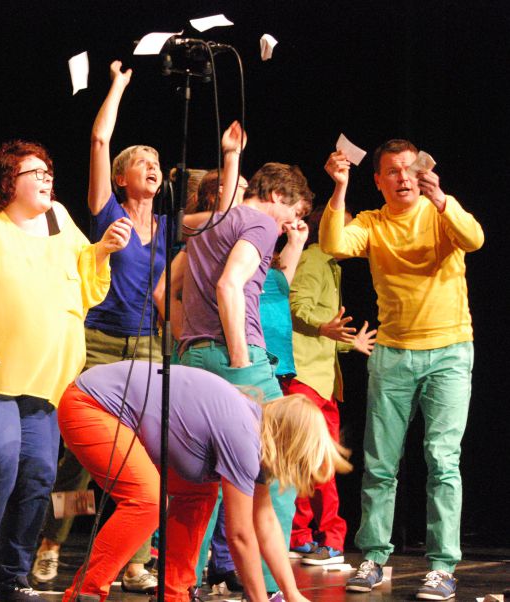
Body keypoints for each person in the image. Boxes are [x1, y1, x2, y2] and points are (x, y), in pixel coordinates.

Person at [0, 139, 131, 602]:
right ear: (6, 181)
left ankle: (13, 577)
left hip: (43, 380)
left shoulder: (59, 218)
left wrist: (103, 249)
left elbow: (84, 283)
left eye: (48, 171)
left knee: (37, 472)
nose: (46, 178)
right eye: (34, 172)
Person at [320, 141, 483, 600]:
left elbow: (475, 239)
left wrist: (442, 199)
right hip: (393, 355)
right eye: (392, 171)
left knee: (443, 461)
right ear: (379, 180)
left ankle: (443, 567)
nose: (403, 178)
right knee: (380, 464)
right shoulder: (372, 222)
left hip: (449, 352)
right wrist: (340, 187)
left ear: (422, 172)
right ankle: (373, 558)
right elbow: (334, 243)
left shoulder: (441, 211)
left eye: (410, 169)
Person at [57, 360, 351, 602]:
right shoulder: (243, 434)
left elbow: (265, 521)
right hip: (92, 404)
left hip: (120, 414)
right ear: (290, 444)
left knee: (200, 494)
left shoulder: (258, 436)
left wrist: (292, 593)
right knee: (149, 502)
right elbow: (240, 535)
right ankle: (85, 593)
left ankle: (173, 594)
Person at [34, 60, 163, 593]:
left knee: (146, 452)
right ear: (121, 177)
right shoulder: (107, 210)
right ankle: (52, 542)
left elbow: (225, 210)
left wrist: (231, 159)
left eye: (157, 163)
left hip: (150, 347)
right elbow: (98, 138)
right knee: (83, 457)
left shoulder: (169, 226)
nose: (152, 168)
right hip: (101, 342)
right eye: (142, 162)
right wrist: (119, 84)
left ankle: (134, 559)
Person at [179, 121, 313, 595]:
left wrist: (190, 344)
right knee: (274, 478)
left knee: (198, 485)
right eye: (292, 212)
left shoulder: (210, 222)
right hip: (238, 358)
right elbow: (229, 285)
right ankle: (278, 590)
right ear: (276, 195)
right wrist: (240, 361)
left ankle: (181, 584)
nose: (288, 224)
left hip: (193, 357)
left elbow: (169, 290)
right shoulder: (259, 223)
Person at [285, 207, 375, 566]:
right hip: (306, 379)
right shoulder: (313, 260)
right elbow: (296, 305)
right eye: (346, 226)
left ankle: (307, 537)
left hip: (320, 380)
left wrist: (348, 342)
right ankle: (325, 538)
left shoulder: (331, 266)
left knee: (312, 461)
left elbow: (322, 331)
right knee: (314, 461)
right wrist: (324, 328)